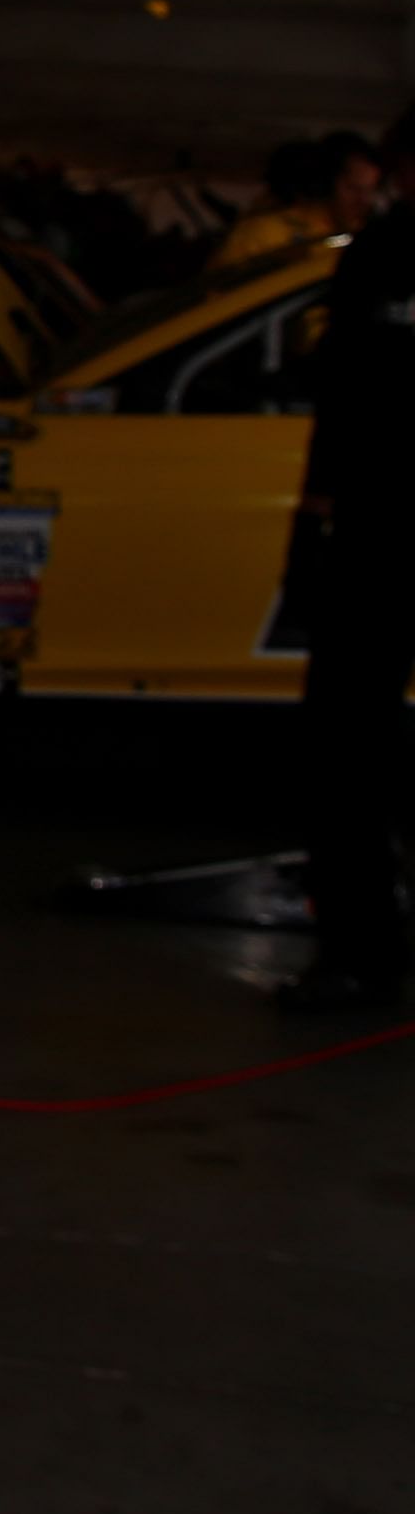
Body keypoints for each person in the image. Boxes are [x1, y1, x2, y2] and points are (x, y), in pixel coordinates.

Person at [284, 106, 415, 1010]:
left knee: (349, 744)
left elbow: (346, 392)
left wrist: (323, 510)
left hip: (384, 534)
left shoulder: (384, 252)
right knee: (351, 744)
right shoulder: (380, 252)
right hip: (381, 529)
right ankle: (360, 954)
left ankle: (361, 961)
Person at [217, 130, 379, 265]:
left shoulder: (364, 239)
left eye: (371, 190)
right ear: (325, 184)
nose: (364, 200)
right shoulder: (268, 234)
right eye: (353, 189)